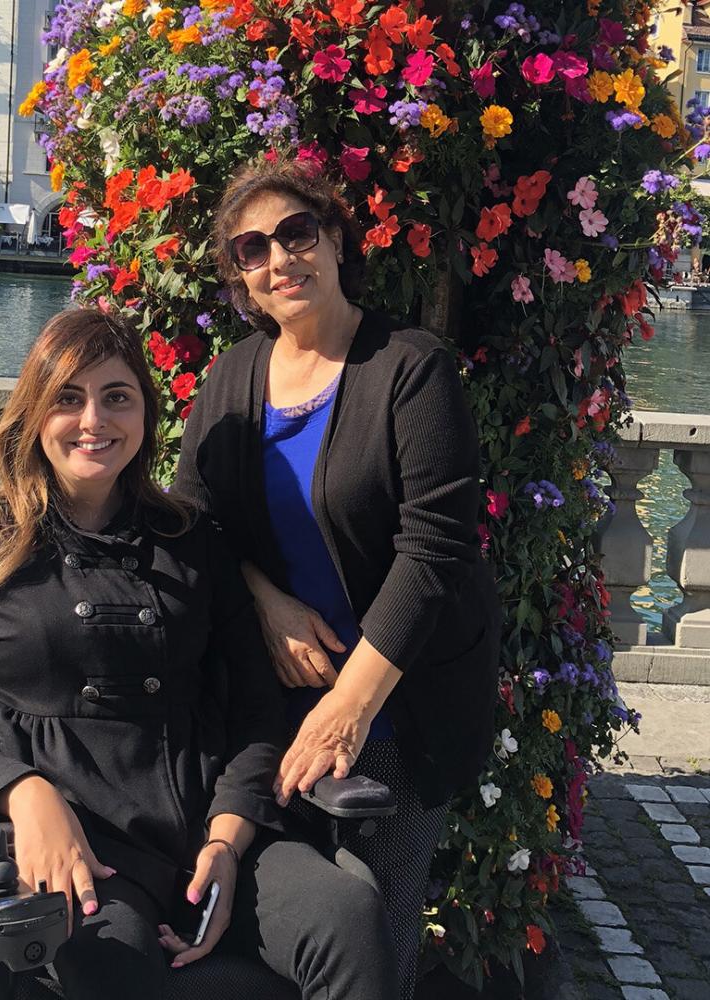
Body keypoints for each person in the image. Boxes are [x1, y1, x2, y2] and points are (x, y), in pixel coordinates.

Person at [0, 307, 398, 1000]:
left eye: (116, 397)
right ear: (34, 414)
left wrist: (228, 838)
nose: (93, 420)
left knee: (347, 916)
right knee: (111, 968)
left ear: (145, 418)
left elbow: (255, 712)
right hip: (80, 853)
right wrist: (23, 795)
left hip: (206, 832)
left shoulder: (192, 543)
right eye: (68, 398)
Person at [175, 159, 503, 999]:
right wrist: (266, 600)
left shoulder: (409, 367)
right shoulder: (233, 378)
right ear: (240, 277)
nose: (280, 258)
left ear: (333, 237)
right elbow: (193, 521)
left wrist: (346, 713)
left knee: (377, 920)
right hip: (271, 707)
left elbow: (435, 549)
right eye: (253, 249)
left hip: (395, 708)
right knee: (285, 921)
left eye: (296, 232)